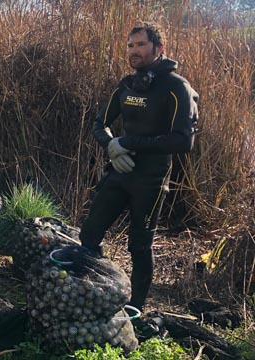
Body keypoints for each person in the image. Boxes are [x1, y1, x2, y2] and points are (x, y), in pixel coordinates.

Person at [79, 22, 199, 311]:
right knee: (90, 233)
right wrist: (110, 146)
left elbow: (183, 141)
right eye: (130, 45)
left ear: (159, 49)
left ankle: (135, 307)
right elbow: (100, 123)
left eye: (141, 45)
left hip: (151, 179)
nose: (134, 51)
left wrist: (128, 142)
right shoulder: (127, 84)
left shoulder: (176, 88)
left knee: (139, 246)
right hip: (119, 171)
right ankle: (97, 288)